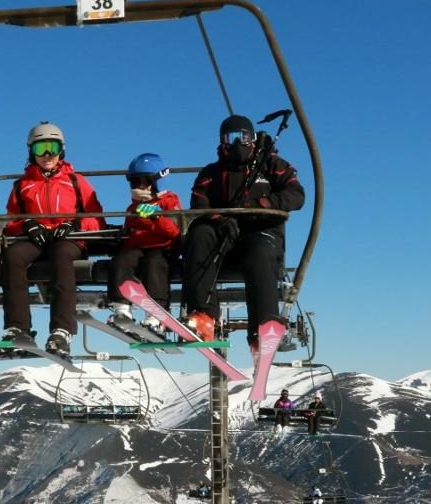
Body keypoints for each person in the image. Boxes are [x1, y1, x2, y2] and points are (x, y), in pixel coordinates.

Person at [181, 115, 305, 350]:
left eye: (243, 137)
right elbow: (199, 204)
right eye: (231, 138)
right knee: (199, 234)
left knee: (260, 253)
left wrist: (266, 204)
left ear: (252, 138)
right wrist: (219, 221)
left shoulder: (271, 165)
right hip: (223, 238)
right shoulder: (211, 173)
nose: (238, 144)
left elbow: (297, 195)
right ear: (222, 142)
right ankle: (203, 315)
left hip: (259, 234)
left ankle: (263, 329)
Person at [0, 122, 105, 358]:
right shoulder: (22, 185)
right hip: (36, 239)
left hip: (69, 240)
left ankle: (61, 330)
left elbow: (97, 219)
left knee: (61, 257)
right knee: (12, 256)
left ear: (61, 150)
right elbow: (11, 222)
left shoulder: (76, 181)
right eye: (40, 149)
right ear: (30, 152)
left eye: (52, 148)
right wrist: (27, 224)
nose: (47, 155)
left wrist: (75, 224)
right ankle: (18, 329)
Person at [107, 153, 182, 333]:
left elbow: (174, 231)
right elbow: (130, 234)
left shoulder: (170, 202)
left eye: (145, 181)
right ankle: (121, 307)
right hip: (138, 247)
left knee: (154, 264)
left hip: (162, 248)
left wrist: (157, 216)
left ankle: (156, 314)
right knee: (121, 260)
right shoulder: (133, 209)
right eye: (135, 182)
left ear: (157, 181)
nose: (140, 186)